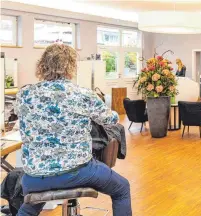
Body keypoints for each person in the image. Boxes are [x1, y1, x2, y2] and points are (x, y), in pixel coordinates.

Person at [14, 43, 132, 216]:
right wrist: (112, 112)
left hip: (34, 177)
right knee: (122, 188)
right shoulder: (82, 95)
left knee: (32, 203)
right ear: (71, 67)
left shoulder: (24, 94)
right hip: (77, 172)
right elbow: (109, 119)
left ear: (42, 65)